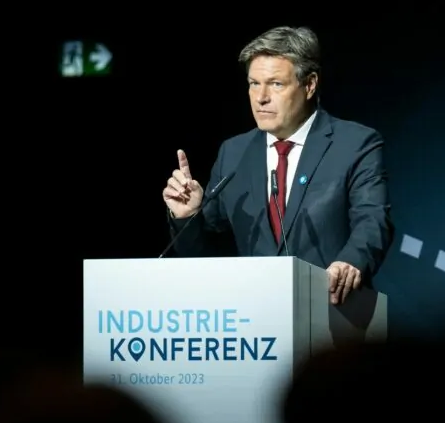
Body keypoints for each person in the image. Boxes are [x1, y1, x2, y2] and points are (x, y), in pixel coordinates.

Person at [162, 26, 394, 305]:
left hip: (332, 310)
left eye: (276, 84)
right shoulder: (234, 153)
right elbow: (203, 256)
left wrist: (351, 261)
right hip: (254, 313)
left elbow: (372, 221)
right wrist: (188, 216)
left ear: (309, 85)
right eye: (253, 83)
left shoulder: (354, 144)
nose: (261, 97)